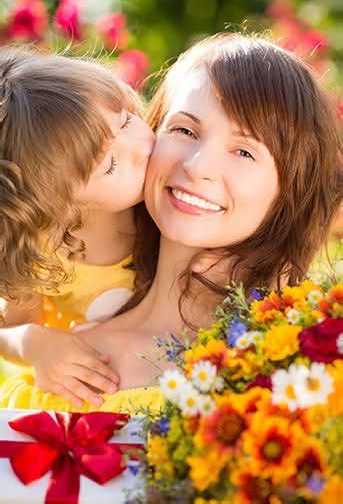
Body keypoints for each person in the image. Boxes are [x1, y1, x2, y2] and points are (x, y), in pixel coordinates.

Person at [1, 33, 341, 414]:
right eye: (184, 130)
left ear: (292, 190)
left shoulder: (305, 364)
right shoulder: (53, 369)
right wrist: (30, 342)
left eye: (244, 151)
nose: (197, 167)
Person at [0, 46, 155, 407]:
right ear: (58, 202)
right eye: (111, 165)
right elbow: (7, 328)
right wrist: (33, 343)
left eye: (127, 121)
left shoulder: (167, 206)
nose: (139, 147)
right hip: (83, 389)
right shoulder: (45, 249)